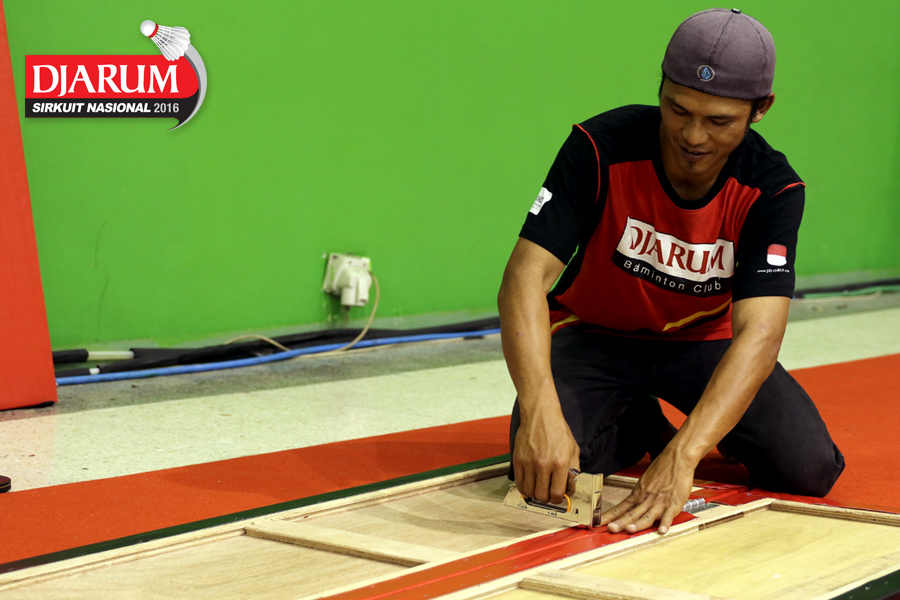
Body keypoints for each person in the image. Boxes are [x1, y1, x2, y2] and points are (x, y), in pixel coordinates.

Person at [498, 8, 845, 536]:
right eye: (677, 109)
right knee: (543, 473)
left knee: (809, 469)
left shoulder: (772, 188)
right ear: (660, 87)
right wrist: (539, 408)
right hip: (596, 336)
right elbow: (524, 276)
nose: (693, 136)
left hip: (703, 342)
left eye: (719, 121)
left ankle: (675, 428)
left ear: (761, 109)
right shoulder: (598, 147)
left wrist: (684, 455)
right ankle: (636, 421)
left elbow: (761, 332)